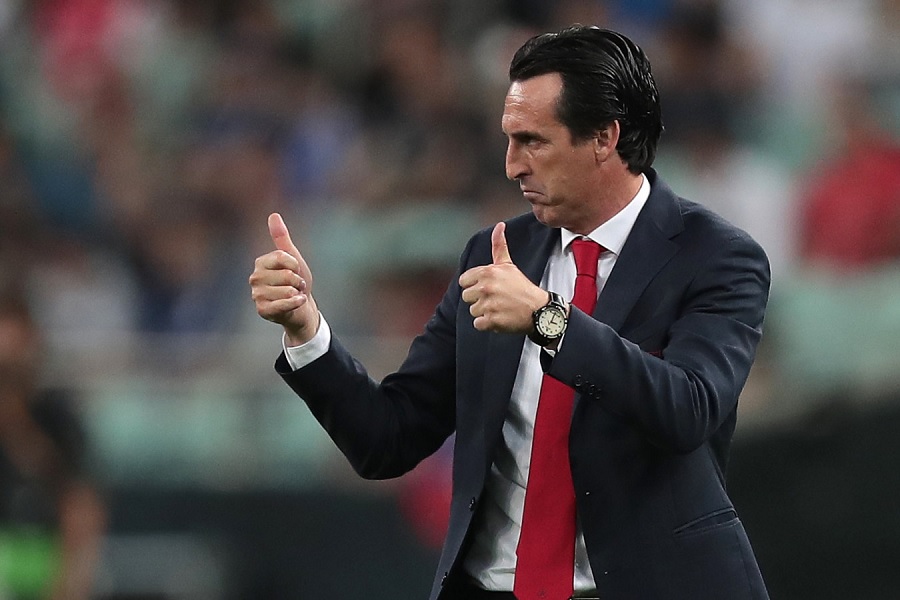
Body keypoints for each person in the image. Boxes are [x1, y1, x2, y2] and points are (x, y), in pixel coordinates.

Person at [249, 25, 770, 600]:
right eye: (508, 140)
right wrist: (306, 331)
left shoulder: (716, 256)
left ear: (604, 137)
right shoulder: (495, 252)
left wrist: (550, 320)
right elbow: (388, 439)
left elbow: (689, 409)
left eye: (532, 141)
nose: (511, 165)